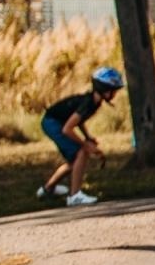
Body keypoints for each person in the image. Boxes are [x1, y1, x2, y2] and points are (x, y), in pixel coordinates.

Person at [38, 66, 126, 206]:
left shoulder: (94, 102)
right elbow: (67, 129)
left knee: (74, 160)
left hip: (55, 122)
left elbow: (78, 120)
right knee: (80, 153)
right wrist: (86, 145)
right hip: (52, 123)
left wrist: (87, 137)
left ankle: (47, 189)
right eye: (113, 90)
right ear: (104, 89)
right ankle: (75, 196)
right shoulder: (88, 103)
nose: (115, 93)